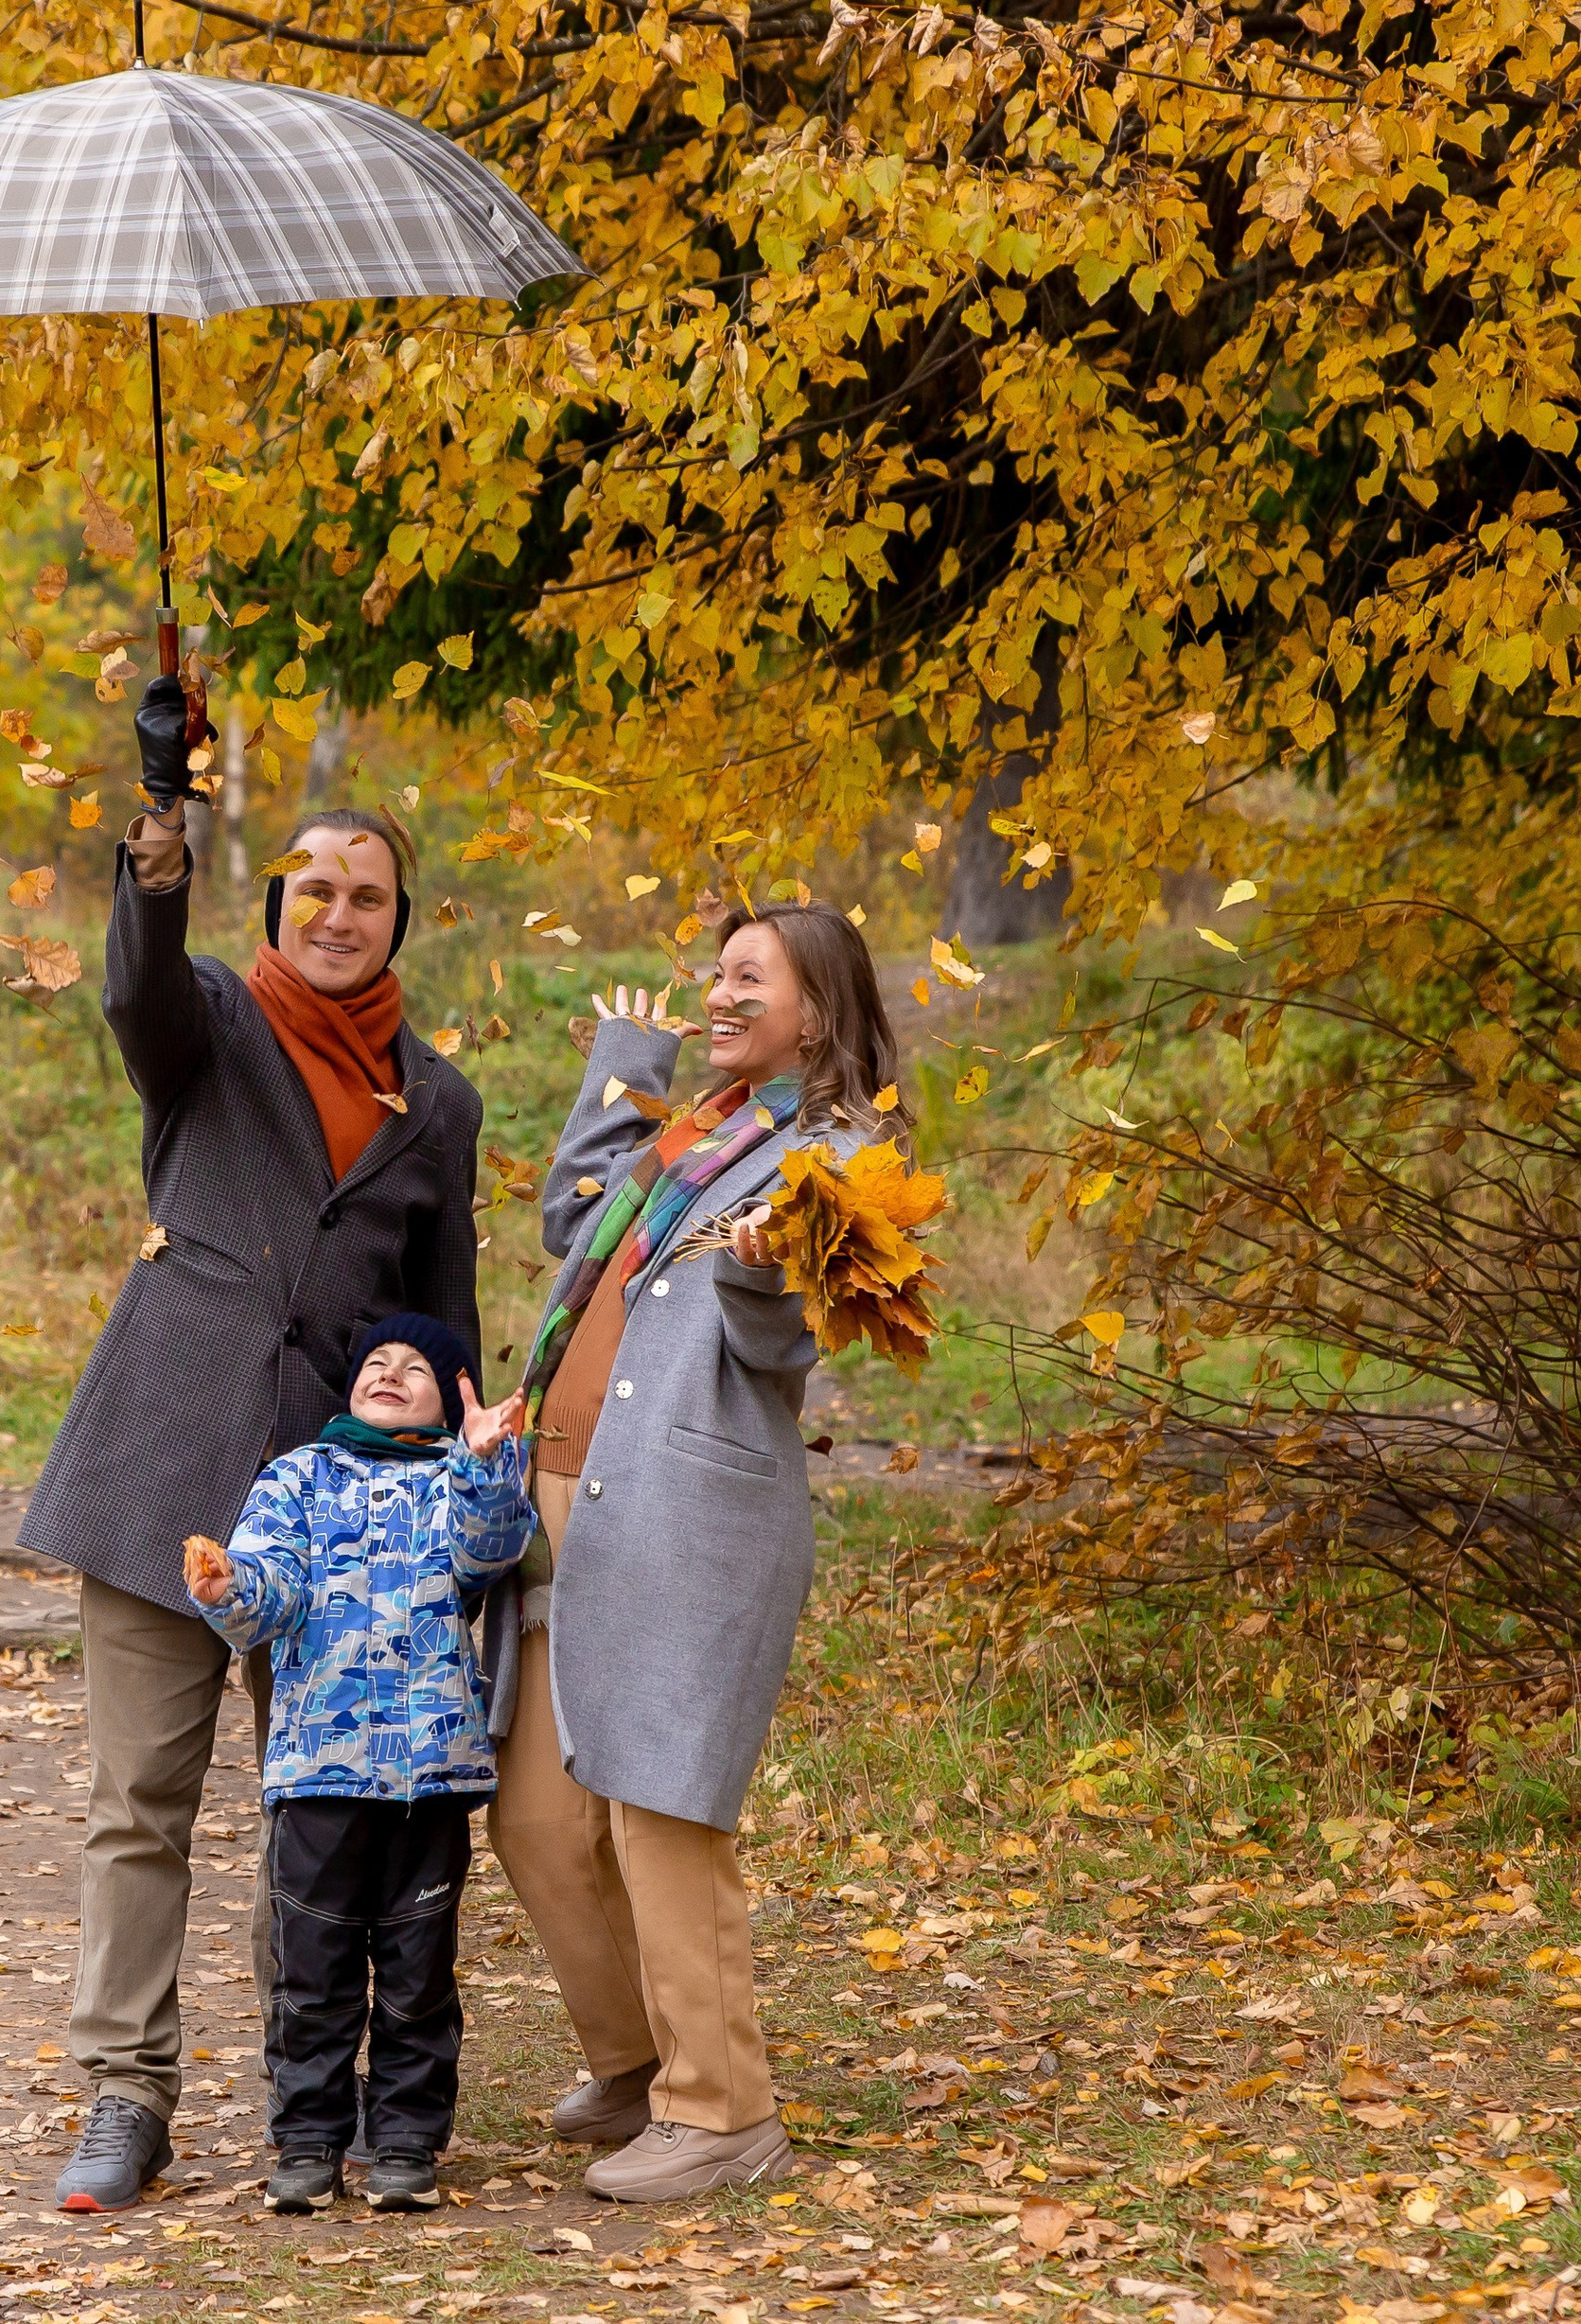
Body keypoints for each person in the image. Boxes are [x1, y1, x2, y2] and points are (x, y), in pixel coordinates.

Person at [23, 669, 484, 2215]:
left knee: (347, 1801)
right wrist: (168, 821)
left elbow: (440, 1325)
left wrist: (457, 1507)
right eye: (313, 886)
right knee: (140, 1801)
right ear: (275, 900)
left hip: (345, 1517)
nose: (338, 911)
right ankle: (122, 2096)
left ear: (396, 923)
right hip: (163, 1460)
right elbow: (134, 987)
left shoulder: (442, 1102)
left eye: (367, 894)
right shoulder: (212, 1024)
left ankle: (338, 2101)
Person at [481, 903, 905, 2201]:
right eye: (711, 975)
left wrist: (768, 1276)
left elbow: (783, 1353)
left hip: (684, 1510)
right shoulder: (693, 1131)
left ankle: (722, 2110)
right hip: (559, 1498)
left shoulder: (839, 1153)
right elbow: (570, 1223)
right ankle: (639, 2066)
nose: (716, 996)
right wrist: (626, 1059)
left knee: (663, 1813)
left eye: (748, 979)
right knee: (539, 1820)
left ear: (818, 1012)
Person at [185, 1314, 532, 2215]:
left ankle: (408, 2144)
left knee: (419, 1976)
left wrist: (488, 1461)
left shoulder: (457, 1482)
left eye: (416, 1368)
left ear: (449, 1397)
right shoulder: (297, 1478)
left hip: (432, 1779)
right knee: (315, 1973)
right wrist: (230, 1588)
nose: (390, 1373)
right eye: (376, 1362)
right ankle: (305, 2142)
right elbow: (272, 1591)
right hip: (320, 1776)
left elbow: (490, 1552)